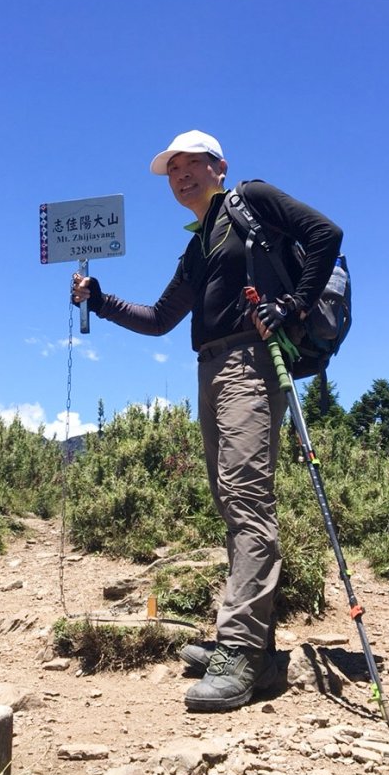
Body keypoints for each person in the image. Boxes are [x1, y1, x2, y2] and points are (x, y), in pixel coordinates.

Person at [71, 130, 343, 712]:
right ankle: (258, 651)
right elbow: (161, 317)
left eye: (191, 165)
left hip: (251, 361)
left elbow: (326, 235)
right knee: (230, 500)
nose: (181, 176)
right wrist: (99, 299)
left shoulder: (253, 199)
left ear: (219, 167)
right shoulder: (200, 245)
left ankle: (240, 655)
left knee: (246, 501)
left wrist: (292, 304)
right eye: (172, 171)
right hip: (212, 368)